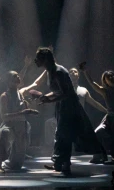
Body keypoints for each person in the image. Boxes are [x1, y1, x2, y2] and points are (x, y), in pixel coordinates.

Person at [34, 47, 103, 176]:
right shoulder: (51, 71)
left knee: (64, 135)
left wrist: (49, 100)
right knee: (60, 134)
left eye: (37, 58)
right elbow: (58, 91)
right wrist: (47, 97)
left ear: (44, 59)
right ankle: (59, 163)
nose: (35, 60)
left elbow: (67, 93)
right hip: (62, 107)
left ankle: (64, 164)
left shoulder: (59, 71)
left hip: (70, 108)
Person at [0, 70, 39, 172]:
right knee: (4, 133)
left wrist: (47, 69)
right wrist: (23, 112)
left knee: (16, 165)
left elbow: (36, 83)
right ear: (9, 81)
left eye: (18, 76)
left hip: (22, 126)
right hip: (9, 125)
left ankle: (9, 163)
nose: (18, 77)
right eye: (15, 76)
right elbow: (4, 116)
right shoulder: (4, 96)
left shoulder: (21, 94)